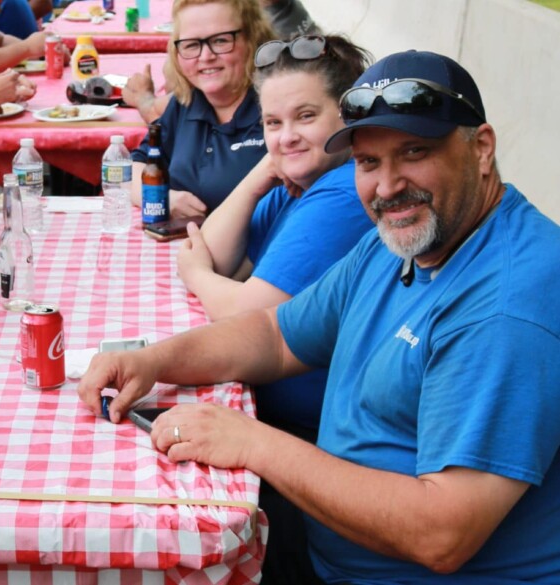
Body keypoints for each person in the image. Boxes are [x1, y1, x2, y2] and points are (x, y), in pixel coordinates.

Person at [80, 50, 560, 583]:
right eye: (368, 161)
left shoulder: (506, 306)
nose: (387, 185)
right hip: (329, 537)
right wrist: (153, 360)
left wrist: (254, 442)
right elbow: (276, 335)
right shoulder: (402, 243)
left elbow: (441, 534)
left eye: (414, 151)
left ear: (481, 149)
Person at [173, 33, 373, 584]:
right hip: (279, 416)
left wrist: (196, 275)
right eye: (271, 122)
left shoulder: (342, 191)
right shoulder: (295, 183)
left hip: (318, 443)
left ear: (348, 115)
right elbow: (211, 246)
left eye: (305, 117)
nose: (286, 137)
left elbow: (240, 311)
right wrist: (264, 168)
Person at [125, 0, 276, 217]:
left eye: (221, 40)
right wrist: (163, 198)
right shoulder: (185, 104)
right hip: (184, 246)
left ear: (253, 40)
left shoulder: (276, 108)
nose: (206, 56)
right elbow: (134, 168)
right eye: (191, 44)